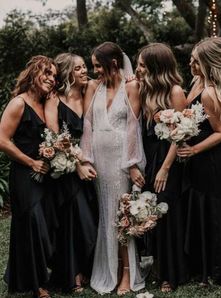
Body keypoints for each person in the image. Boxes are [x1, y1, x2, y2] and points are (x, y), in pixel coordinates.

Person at [80, 41, 146, 295]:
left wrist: (131, 164)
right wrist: (85, 159)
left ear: (113, 64)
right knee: (106, 215)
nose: (94, 70)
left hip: (120, 163)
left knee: (122, 218)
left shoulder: (131, 86)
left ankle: (127, 274)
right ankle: (112, 269)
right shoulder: (93, 88)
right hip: (99, 162)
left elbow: (133, 127)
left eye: (98, 65)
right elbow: (88, 124)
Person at [177, 37, 221, 285]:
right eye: (191, 59)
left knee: (212, 211)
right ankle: (202, 266)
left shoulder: (210, 93)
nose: (191, 64)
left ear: (208, 63)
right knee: (199, 208)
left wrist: (194, 150)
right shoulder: (197, 82)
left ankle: (219, 268)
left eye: (196, 61)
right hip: (199, 160)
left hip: (210, 160)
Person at [0, 55, 57, 298]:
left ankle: (24, 277)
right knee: (34, 223)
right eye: (47, 73)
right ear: (34, 73)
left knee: (41, 225)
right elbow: (1, 140)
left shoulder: (47, 103)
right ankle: (38, 285)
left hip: (46, 175)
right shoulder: (18, 104)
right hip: (24, 174)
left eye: (54, 75)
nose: (52, 79)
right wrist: (31, 162)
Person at [136, 43, 189, 292]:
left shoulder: (175, 92)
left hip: (167, 161)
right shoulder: (145, 91)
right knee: (151, 214)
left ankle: (172, 273)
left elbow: (179, 136)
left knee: (167, 214)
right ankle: (157, 266)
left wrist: (165, 168)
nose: (138, 69)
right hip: (148, 159)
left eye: (142, 65)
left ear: (156, 67)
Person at [44, 52, 98, 293]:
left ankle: (86, 269)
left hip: (90, 166)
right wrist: (77, 166)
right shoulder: (54, 99)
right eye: (78, 69)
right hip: (66, 171)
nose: (84, 71)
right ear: (67, 73)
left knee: (91, 220)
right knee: (75, 223)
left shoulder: (89, 91)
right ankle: (72, 275)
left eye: (85, 67)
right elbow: (56, 138)